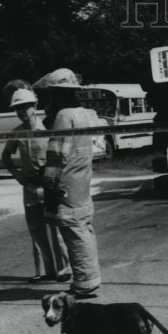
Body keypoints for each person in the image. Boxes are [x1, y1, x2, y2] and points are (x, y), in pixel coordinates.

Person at [35, 68, 102, 299]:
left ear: (57, 94)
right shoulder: (83, 113)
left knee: (74, 234)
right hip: (81, 182)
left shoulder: (64, 115)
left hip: (66, 185)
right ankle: (90, 279)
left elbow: (57, 156)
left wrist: (49, 182)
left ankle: (85, 283)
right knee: (84, 231)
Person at [0, 80, 71, 283]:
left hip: (48, 184)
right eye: (17, 109)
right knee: (36, 229)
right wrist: (17, 175)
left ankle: (63, 269)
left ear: (35, 106)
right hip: (30, 186)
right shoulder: (16, 133)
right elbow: (6, 156)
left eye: (25, 107)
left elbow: (60, 155)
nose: (22, 112)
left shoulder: (47, 129)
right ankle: (46, 271)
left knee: (55, 227)